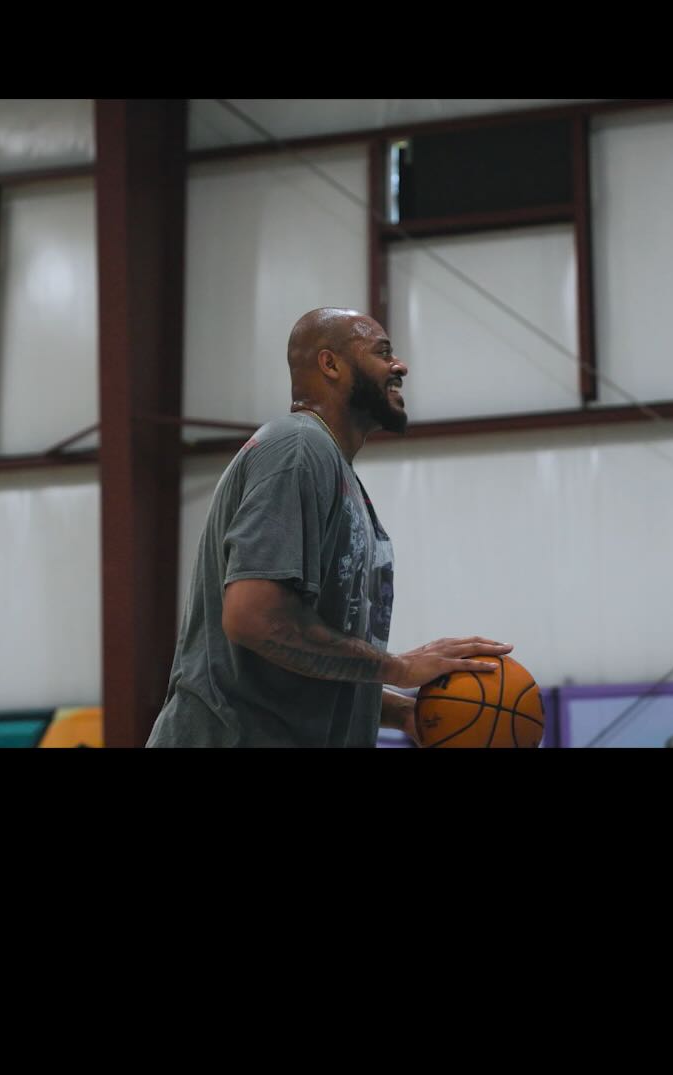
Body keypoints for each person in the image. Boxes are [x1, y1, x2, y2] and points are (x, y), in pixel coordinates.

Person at [146, 307, 512, 748]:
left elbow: (298, 663)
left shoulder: (331, 468)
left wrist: (407, 713)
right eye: (383, 353)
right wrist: (398, 667)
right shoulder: (297, 448)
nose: (400, 366)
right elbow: (255, 618)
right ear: (330, 364)